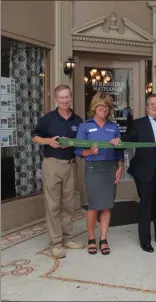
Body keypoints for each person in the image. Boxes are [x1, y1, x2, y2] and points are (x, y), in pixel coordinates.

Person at [31, 85, 85, 258]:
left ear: (71, 97)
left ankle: (68, 239)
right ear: (56, 99)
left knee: (69, 205)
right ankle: (56, 243)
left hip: (70, 165)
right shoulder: (48, 119)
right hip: (52, 164)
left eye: (67, 97)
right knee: (53, 205)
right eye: (61, 98)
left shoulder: (78, 121)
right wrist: (49, 141)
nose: (65, 100)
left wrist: (73, 143)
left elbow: (83, 142)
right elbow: (34, 136)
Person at [124, 94, 156, 253]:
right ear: (147, 107)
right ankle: (144, 239)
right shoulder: (138, 124)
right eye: (151, 104)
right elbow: (127, 140)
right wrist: (117, 141)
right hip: (146, 172)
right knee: (146, 206)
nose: (155, 107)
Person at [74, 92, 123, 255]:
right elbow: (77, 150)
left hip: (110, 168)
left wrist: (120, 167)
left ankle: (103, 238)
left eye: (107, 106)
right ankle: (90, 238)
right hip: (94, 169)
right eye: (101, 106)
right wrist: (89, 151)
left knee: (107, 205)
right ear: (94, 107)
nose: (104, 109)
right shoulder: (85, 126)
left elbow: (119, 151)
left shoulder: (113, 127)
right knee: (94, 205)